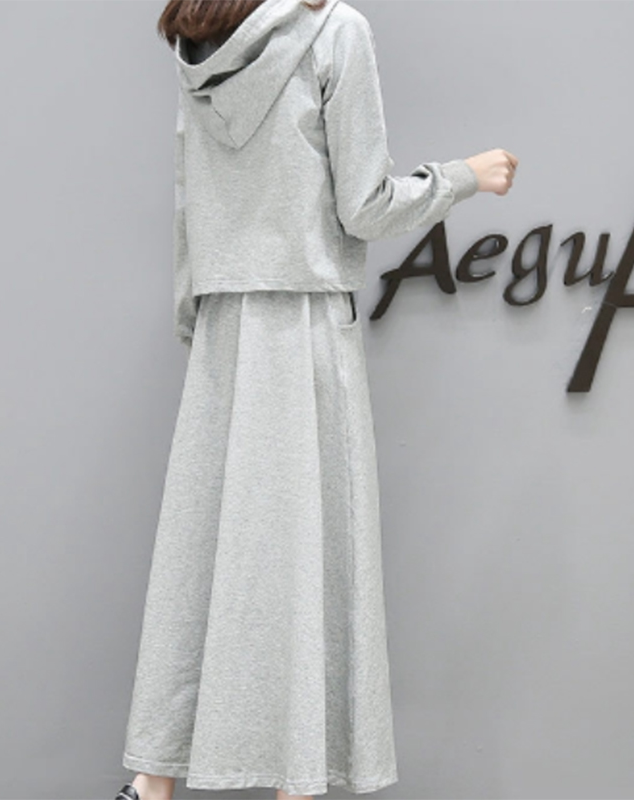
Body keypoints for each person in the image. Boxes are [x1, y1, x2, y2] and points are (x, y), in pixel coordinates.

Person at [115, 1, 517, 799]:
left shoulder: (200, 37)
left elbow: (190, 195)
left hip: (224, 324)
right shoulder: (336, 30)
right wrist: (468, 175)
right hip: (302, 324)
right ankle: (296, 785)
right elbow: (364, 207)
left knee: (200, 555)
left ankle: (150, 785)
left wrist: (197, 316)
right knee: (310, 556)